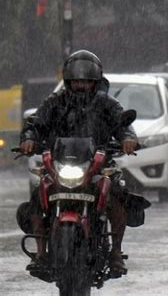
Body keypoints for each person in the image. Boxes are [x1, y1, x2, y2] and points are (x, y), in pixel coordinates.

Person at [19, 50, 138, 274]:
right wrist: (29, 139)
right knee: (38, 193)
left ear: (95, 82)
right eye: (77, 81)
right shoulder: (55, 102)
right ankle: (41, 251)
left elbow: (123, 125)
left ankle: (115, 252)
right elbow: (36, 123)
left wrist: (128, 139)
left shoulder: (107, 103)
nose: (81, 85)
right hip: (60, 164)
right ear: (68, 81)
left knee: (118, 192)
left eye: (86, 81)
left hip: (98, 166)